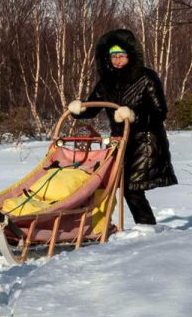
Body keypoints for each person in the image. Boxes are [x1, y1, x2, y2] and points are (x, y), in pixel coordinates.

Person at [67, 28, 177, 226]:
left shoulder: (146, 78)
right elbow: (93, 108)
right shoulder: (107, 82)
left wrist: (134, 116)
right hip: (120, 143)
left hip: (145, 141)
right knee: (119, 186)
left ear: (130, 55)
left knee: (131, 188)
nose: (116, 60)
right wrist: (78, 109)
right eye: (113, 56)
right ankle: (116, 226)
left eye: (121, 55)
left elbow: (160, 113)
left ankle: (146, 229)